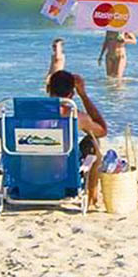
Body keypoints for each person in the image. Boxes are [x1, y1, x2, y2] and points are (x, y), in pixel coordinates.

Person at [45, 70, 108, 208]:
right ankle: (92, 198)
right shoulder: (75, 116)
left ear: (48, 89)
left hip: (28, 177)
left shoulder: (29, 112)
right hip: (62, 178)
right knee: (93, 141)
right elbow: (102, 130)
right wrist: (83, 95)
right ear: (71, 94)